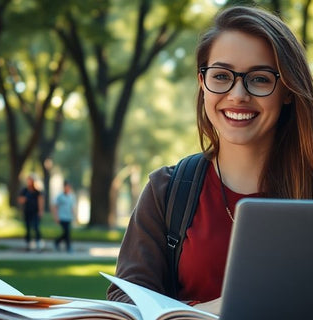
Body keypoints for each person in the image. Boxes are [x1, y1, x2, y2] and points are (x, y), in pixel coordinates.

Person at [107, 5, 313, 309]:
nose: (238, 94)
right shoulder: (166, 191)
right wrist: (218, 309)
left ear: (287, 90)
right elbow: (127, 304)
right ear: (203, 84)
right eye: (221, 75)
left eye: (259, 78)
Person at [17, 174, 44, 251]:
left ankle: (38, 243)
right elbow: (20, 200)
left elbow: (40, 201)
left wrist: (40, 211)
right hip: (27, 212)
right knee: (28, 228)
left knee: (36, 227)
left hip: (35, 212)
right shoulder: (25, 190)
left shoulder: (37, 191)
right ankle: (28, 244)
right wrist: (24, 199)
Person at [52, 180, 76, 253]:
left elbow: (72, 207)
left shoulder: (71, 196)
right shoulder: (59, 196)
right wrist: (56, 217)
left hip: (68, 217)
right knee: (66, 232)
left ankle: (57, 242)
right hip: (62, 217)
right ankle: (68, 247)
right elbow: (55, 207)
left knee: (66, 233)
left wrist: (74, 216)